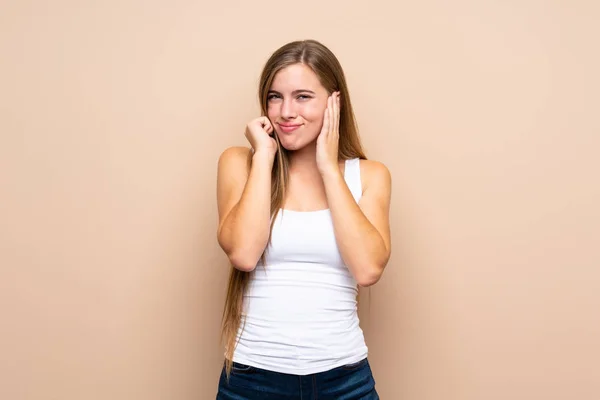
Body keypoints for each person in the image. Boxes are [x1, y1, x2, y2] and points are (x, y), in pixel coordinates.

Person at [215, 39, 391, 399]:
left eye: (303, 96)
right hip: (252, 380)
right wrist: (264, 156)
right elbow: (244, 254)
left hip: (345, 382)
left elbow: (368, 269)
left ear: (334, 102)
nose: (285, 111)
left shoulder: (369, 176)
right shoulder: (239, 163)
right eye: (275, 96)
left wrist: (328, 167)